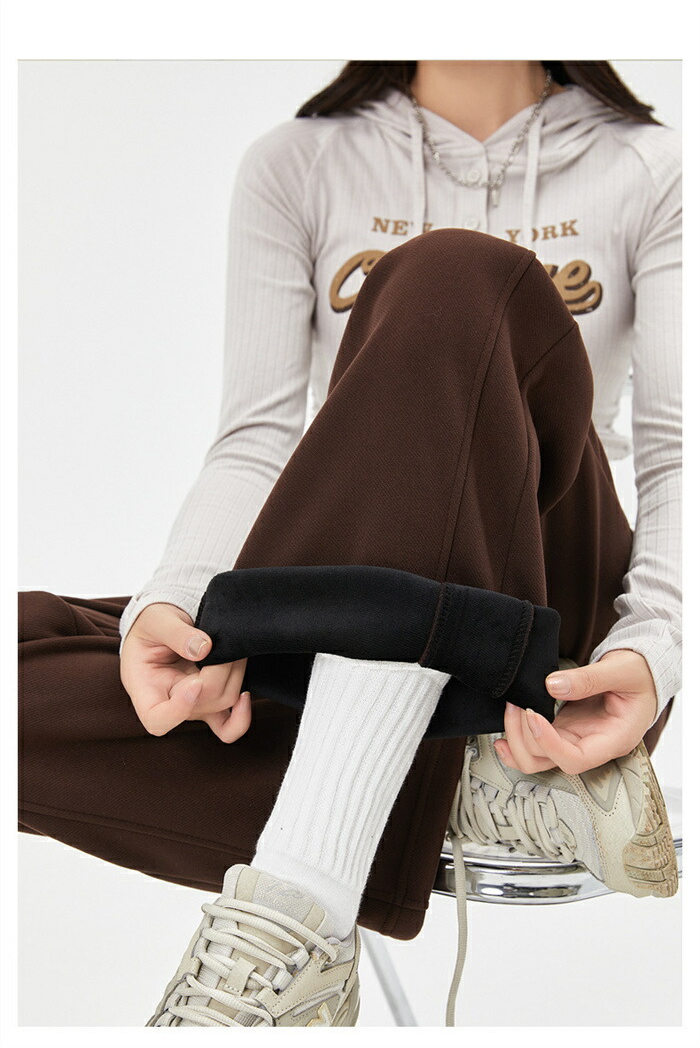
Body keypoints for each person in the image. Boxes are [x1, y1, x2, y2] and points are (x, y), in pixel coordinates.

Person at [19, 60, 681, 1026]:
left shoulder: (650, 170)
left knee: (452, 276)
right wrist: (183, 604)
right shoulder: (297, 165)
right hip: (362, 611)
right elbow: (256, 438)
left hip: (554, 626)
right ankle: (445, 776)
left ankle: (294, 928)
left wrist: (655, 644)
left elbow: (676, 448)